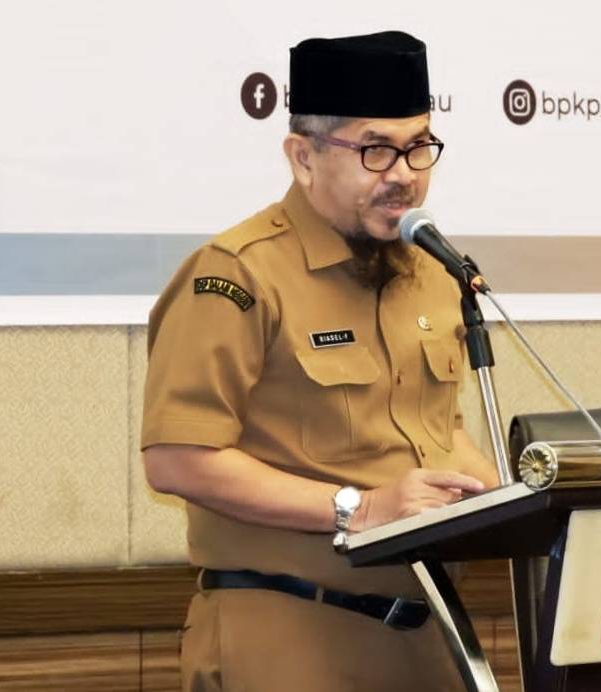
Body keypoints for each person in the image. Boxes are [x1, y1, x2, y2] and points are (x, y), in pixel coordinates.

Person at [140, 30, 499, 691]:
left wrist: (518, 506)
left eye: (419, 147)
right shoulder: (238, 274)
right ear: (303, 156)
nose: (404, 174)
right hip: (287, 628)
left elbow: (436, 432)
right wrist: (357, 508)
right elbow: (177, 458)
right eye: (375, 150)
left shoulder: (429, 272)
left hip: (428, 635)